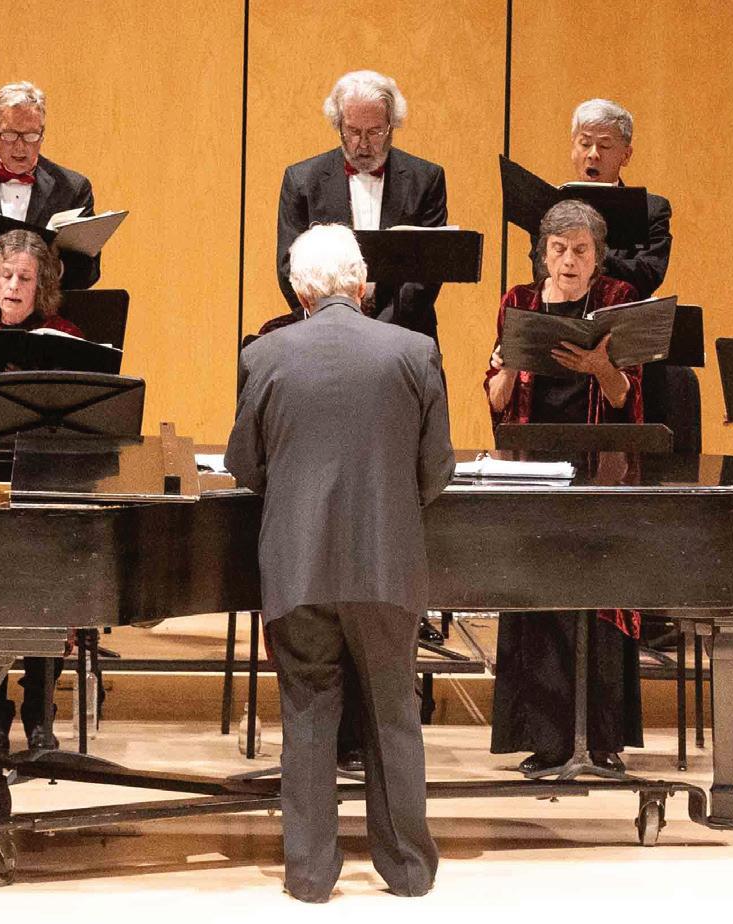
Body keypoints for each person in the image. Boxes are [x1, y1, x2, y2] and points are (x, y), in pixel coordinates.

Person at [230, 224, 452, 902]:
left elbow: (245, 465)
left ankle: (309, 875)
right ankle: (407, 870)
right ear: (363, 284)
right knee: (392, 714)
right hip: (387, 564)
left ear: (299, 292)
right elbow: (436, 470)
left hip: (296, 566)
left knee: (307, 714)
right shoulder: (414, 351)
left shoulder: (264, 356)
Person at [485, 200, 644, 774]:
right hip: (532, 469)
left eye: (580, 250)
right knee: (539, 598)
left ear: (598, 257)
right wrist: (507, 365)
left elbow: (628, 395)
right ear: (543, 254)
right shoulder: (519, 301)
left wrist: (599, 366)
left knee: (598, 598)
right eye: (558, 249)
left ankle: (601, 740)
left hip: (600, 470)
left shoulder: (617, 300)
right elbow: (497, 399)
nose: (569, 260)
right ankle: (546, 738)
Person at [0, 229, 87, 756]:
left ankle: (39, 711)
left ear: (41, 286)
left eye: (24, 278)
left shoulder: (66, 336)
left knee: (46, 598)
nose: (12, 286)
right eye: (4, 275)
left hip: (44, 481)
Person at [274, 70, 451, 338]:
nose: (364, 145)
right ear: (339, 125)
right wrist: (336, 323)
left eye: (375, 131)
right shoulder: (301, 181)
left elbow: (428, 269)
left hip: (406, 335)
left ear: (392, 125)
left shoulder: (426, 179)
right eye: (353, 132)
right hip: (327, 335)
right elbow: (289, 267)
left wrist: (379, 331)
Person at [0, 82, 101, 318]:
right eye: (10, 135)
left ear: (43, 132)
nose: (20, 146)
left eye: (31, 135)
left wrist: (46, 272)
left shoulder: (73, 188)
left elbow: (89, 271)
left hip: (52, 324)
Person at [525, 99, 670, 299]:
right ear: (573, 149)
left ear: (626, 155)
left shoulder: (651, 210)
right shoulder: (550, 206)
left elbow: (646, 276)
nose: (593, 154)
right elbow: (542, 273)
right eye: (585, 144)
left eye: (604, 145)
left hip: (621, 315)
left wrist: (587, 254)